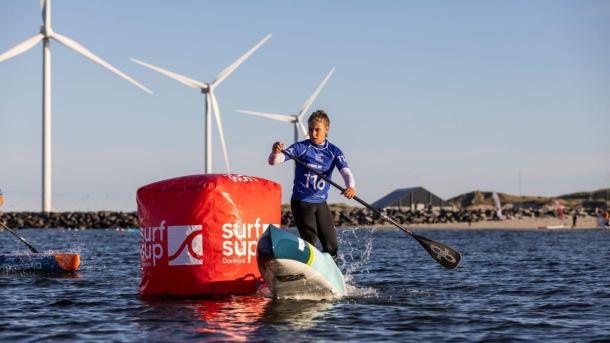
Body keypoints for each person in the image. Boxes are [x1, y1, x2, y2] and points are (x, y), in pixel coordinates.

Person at [268, 110, 355, 260]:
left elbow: (346, 172)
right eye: (310, 129)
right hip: (302, 203)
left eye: (317, 130)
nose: (313, 133)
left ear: (326, 130)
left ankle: (330, 274)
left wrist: (350, 187)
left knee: (332, 246)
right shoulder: (302, 147)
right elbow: (274, 161)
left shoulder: (334, 151)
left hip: (320, 203)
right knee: (311, 243)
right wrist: (275, 152)